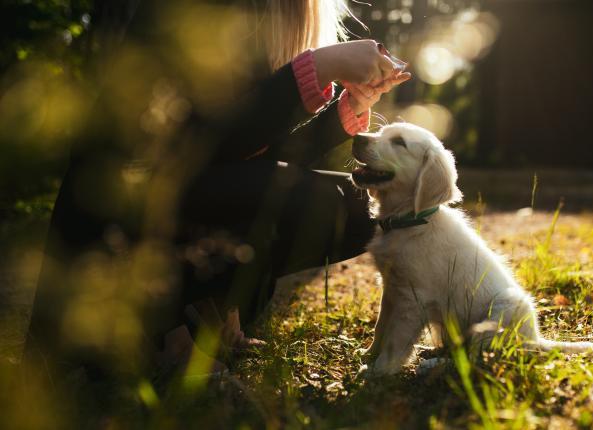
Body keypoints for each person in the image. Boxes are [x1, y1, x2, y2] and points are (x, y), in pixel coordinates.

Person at [22, 0, 411, 386]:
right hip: (120, 216)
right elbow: (200, 143)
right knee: (321, 202)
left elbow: (258, 152)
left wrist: (350, 107)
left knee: (361, 209)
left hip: (181, 197)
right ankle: (156, 336)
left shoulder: (288, 14)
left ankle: (208, 308)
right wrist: (321, 66)